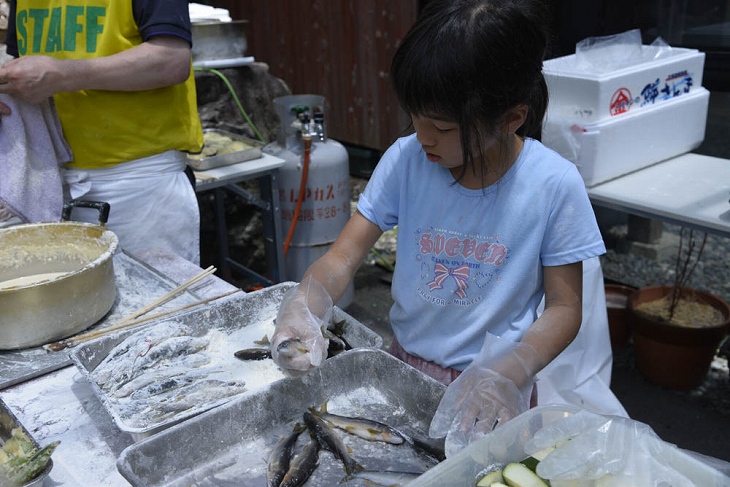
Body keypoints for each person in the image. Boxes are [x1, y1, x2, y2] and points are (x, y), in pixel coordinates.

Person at [270, 0, 622, 457]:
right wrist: (304, 303)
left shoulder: (552, 184)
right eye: (415, 118)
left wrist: (511, 370)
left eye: (441, 126)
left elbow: (565, 308)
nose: (422, 137)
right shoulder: (407, 160)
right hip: (403, 366)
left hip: (491, 390)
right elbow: (342, 257)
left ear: (511, 118)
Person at [0, 0, 203, 264]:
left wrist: (64, 75)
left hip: (137, 184)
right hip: (50, 180)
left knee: (159, 302)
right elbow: (24, 61)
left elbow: (171, 60)